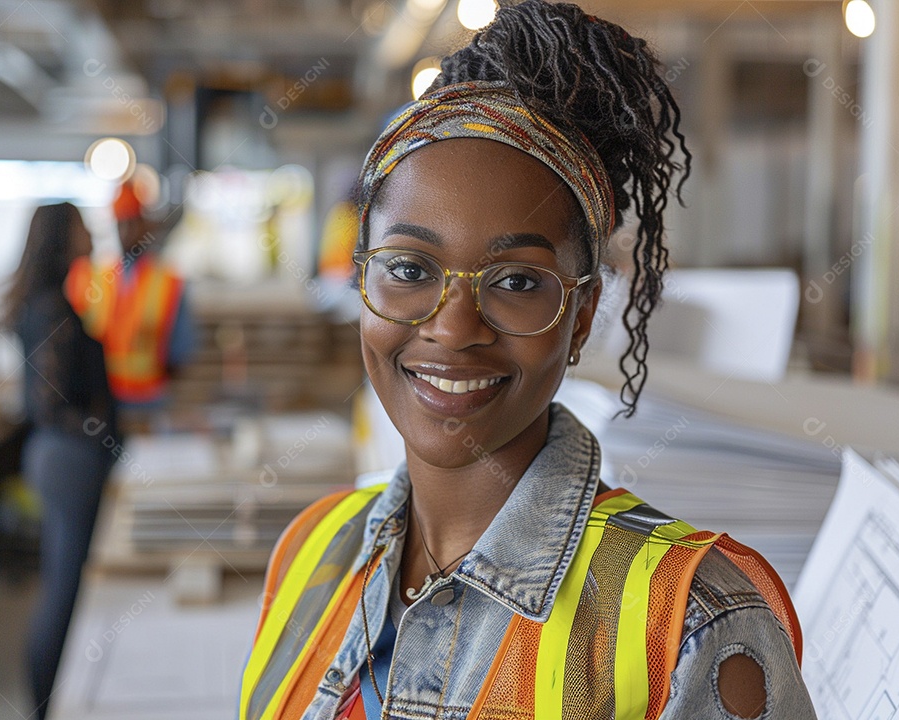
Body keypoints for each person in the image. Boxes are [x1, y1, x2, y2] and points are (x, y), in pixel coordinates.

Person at [240, 2, 817, 719]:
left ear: (580, 318)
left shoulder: (690, 625)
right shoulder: (310, 554)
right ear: (361, 280)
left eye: (515, 281)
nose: (452, 329)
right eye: (410, 268)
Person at [4, 203, 117, 720]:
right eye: (82, 227)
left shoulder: (56, 301)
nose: (92, 235)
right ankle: (48, 707)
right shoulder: (51, 307)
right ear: (60, 236)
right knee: (65, 590)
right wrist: (103, 435)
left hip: (67, 458)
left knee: (67, 584)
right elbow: (48, 407)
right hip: (68, 460)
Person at [64, 181, 195, 409]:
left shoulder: (168, 282)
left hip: (151, 401)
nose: (125, 232)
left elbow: (181, 350)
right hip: (102, 401)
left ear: (145, 225)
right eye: (120, 224)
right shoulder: (92, 277)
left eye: (132, 223)